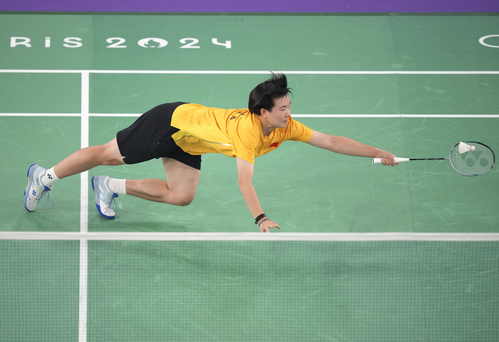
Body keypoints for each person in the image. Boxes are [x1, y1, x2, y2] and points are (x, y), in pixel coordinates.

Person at [23, 73, 397, 232]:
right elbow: (245, 181)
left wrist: (376, 151)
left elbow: (331, 141)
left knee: (181, 195)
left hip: (190, 141)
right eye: (282, 108)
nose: (289, 113)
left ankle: (108, 188)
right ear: (262, 112)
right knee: (106, 153)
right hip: (170, 122)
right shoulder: (247, 133)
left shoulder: (286, 127)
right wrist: (261, 218)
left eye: (288, 106)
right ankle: (43, 177)